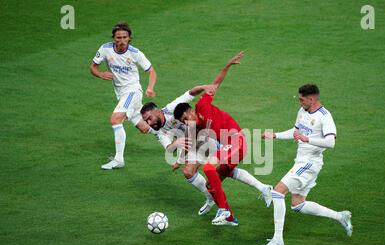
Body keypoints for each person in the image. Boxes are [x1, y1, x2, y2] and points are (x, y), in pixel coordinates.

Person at [141, 81, 272, 217]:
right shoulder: (158, 131)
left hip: (205, 138)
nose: (149, 123)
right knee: (189, 172)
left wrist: (204, 87)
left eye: (149, 118)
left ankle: (257, 190)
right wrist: (177, 146)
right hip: (193, 143)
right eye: (146, 121)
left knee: (223, 170)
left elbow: (191, 92)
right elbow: (169, 149)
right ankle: (212, 199)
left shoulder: (172, 108)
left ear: (157, 111)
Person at [173, 52, 271, 226]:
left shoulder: (202, 105)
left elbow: (215, 83)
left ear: (190, 111)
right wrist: (179, 161)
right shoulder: (197, 128)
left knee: (209, 166)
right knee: (211, 185)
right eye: (183, 122)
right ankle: (232, 217)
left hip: (237, 141)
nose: (187, 122)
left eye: (186, 118)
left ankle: (223, 210)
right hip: (228, 148)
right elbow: (188, 143)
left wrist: (228, 65)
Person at [258, 84, 353, 245]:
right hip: (301, 160)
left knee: (277, 192)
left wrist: (307, 139)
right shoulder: (303, 112)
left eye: (302, 99)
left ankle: (277, 240)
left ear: (312, 99)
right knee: (298, 204)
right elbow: (295, 132)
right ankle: (340, 216)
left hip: (310, 163)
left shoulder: (325, 116)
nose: (299, 102)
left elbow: (331, 142)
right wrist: (274, 135)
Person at [90, 22, 157, 170]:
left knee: (115, 119)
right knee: (144, 127)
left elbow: (151, 71)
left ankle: (119, 159)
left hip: (133, 91)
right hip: (121, 94)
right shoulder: (105, 49)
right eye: (118, 37)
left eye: (124, 37)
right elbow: (93, 67)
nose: (121, 40)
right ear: (113, 38)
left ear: (129, 38)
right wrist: (101, 74)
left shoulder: (135, 53)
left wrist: (150, 88)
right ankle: (171, 136)